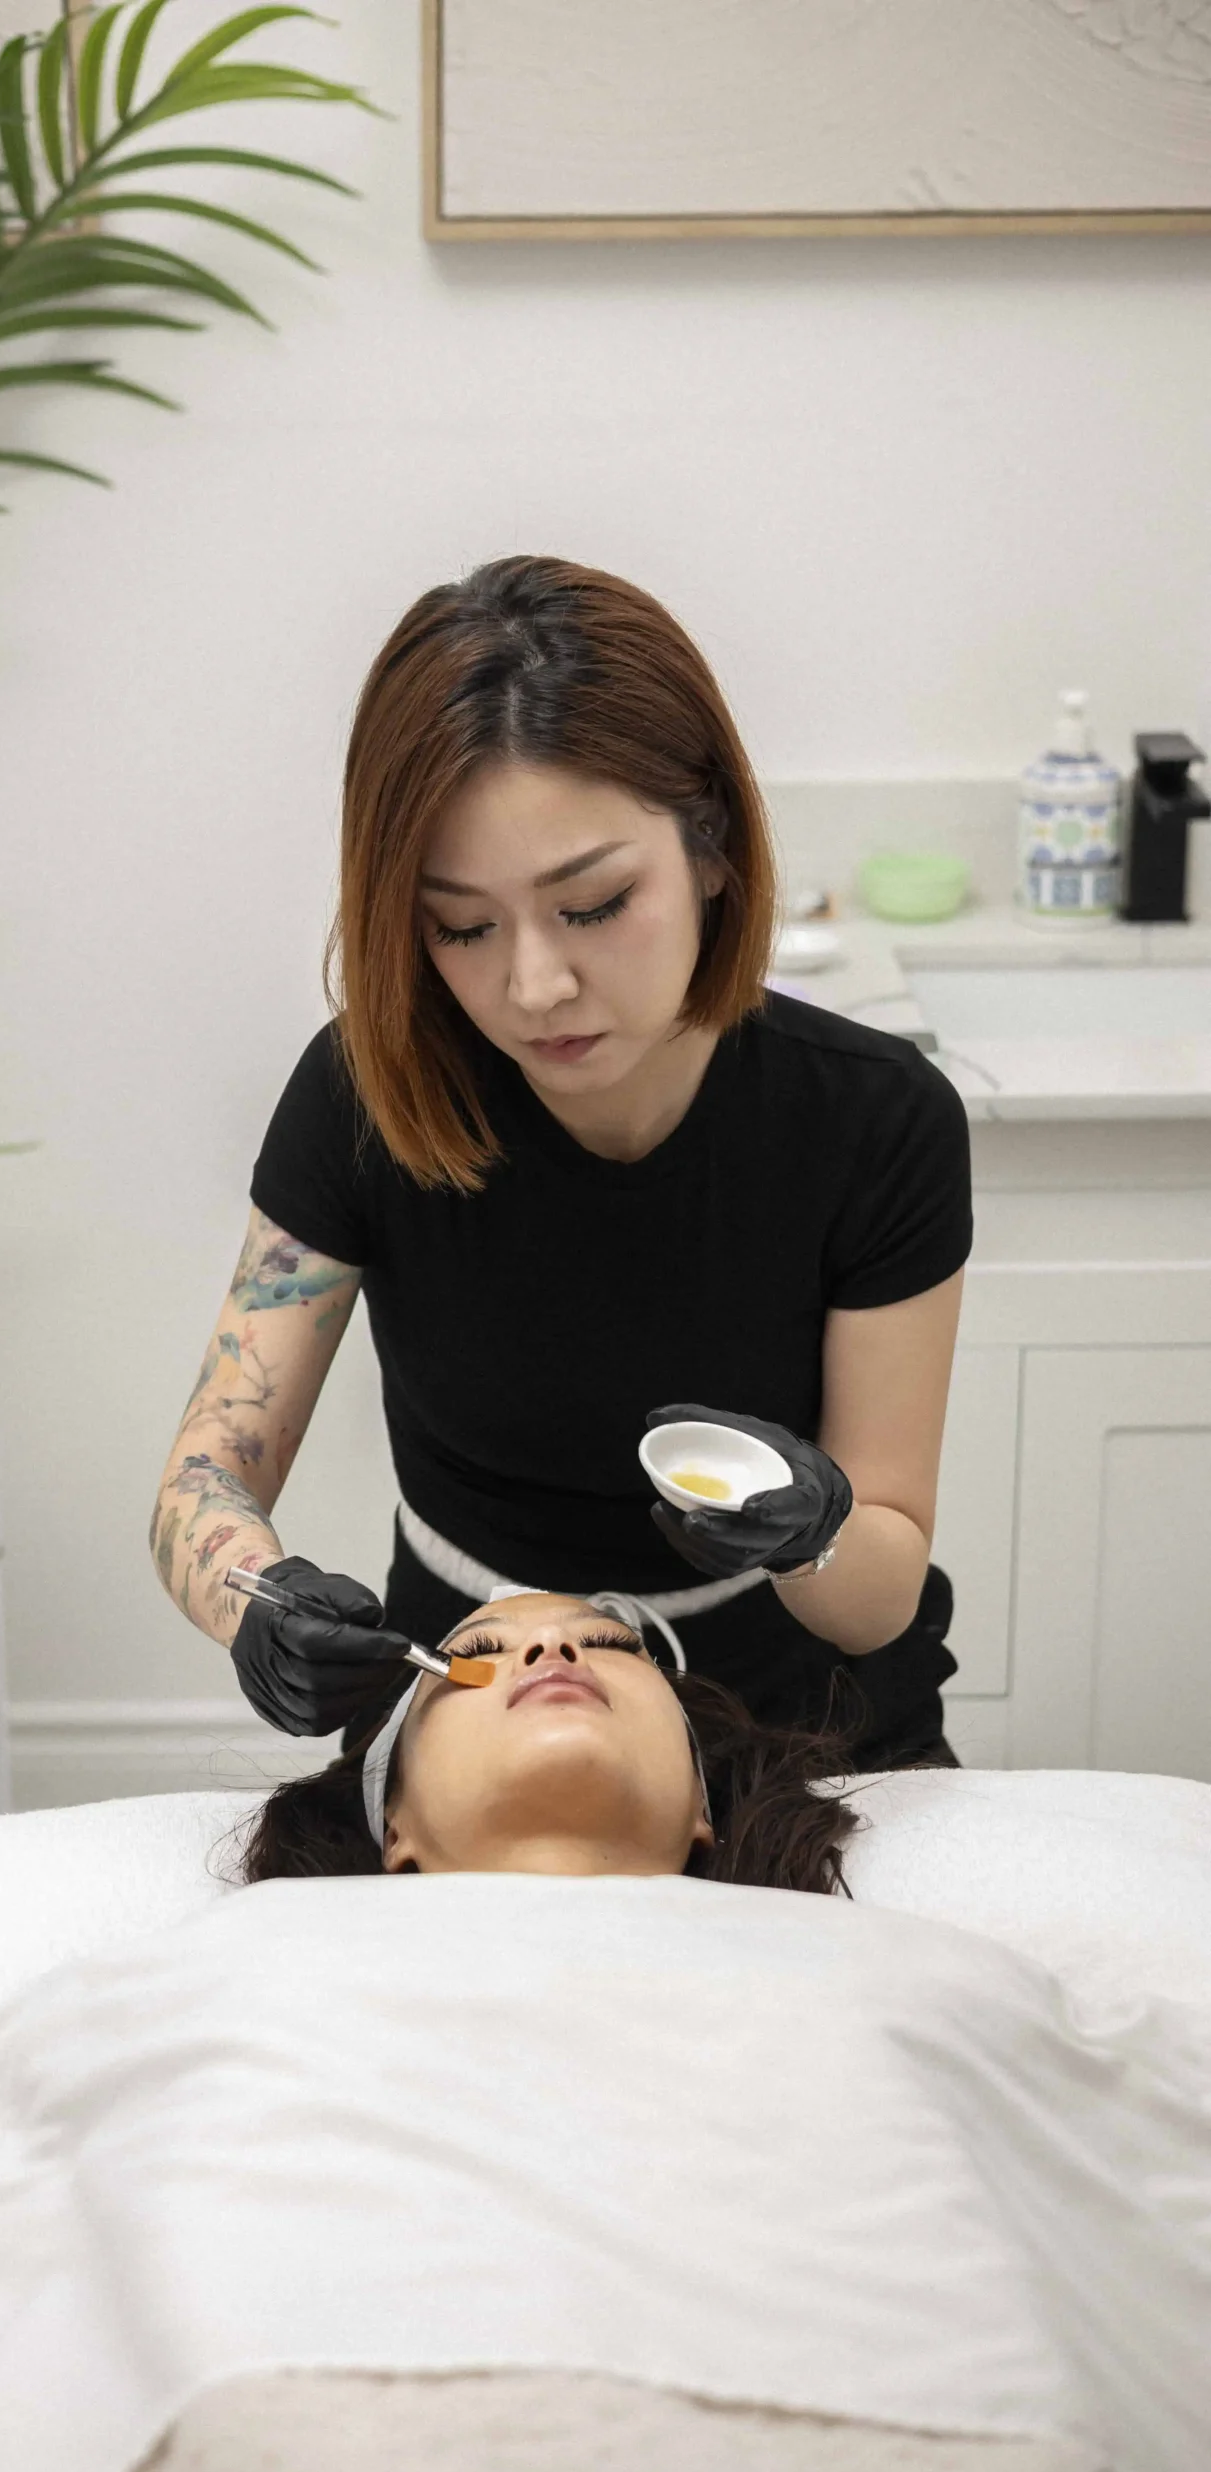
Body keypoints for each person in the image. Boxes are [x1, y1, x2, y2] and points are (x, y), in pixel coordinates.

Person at [152, 557, 972, 1770]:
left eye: (591, 904)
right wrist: (256, 1603)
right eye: (462, 927)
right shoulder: (369, 1096)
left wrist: (816, 1530)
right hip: (478, 1720)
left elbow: (879, 1595)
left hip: (805, 1733)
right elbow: (204, 1476)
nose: (534, 986)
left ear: (711, 847)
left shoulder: (874, 1121)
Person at [242, 1589, 856, 1893]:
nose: (552, 1649)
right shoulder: (270, 1968)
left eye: (611, 1645)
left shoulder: (857, 1963)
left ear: (703, 1805)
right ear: (395, 1827)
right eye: (479, 1652)